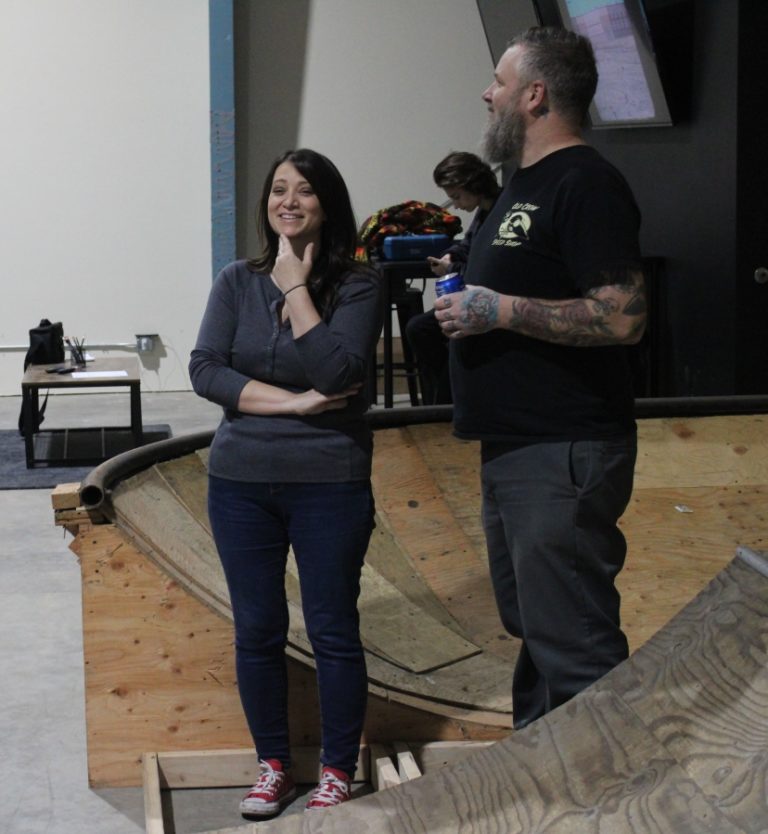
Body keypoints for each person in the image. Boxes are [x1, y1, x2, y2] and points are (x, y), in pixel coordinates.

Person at [434, 27, 647, 729]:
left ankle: (611, 800)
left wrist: (500, 310)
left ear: (533, 94)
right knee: (538, 627)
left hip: (564, 449)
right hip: (516, 445)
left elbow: (621, 319)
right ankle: (541, 775)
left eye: (498, 81)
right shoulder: (521, 184)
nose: (485, 93)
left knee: (575, 643)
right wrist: (472, 310)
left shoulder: (586, 182)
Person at [189, 148, 383, 817]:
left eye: (303, 191)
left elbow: (337, 373)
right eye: (278, 190)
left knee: (332, 629)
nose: (288, 202)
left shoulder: (358, 285)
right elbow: (205, 370)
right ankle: (273, 765)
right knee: (258, 629)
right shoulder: (236, 281)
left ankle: (335, 770)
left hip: (329, 481)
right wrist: (293, 404)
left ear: (327, 203)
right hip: (240, 481)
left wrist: (296, 287)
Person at [405, 152, 501, 405]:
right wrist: (450, 256)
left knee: (438, 332)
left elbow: (488, 265)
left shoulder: (502, 212)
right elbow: (468, 247)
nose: (455, 205)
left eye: (457, 196)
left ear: (474, 186)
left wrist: (453, 266)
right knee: (420, 328)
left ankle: (447, 401)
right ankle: (443, 399)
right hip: (472, 293)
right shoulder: (483, 213)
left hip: (491, 300)